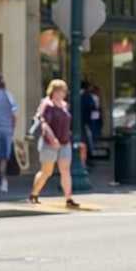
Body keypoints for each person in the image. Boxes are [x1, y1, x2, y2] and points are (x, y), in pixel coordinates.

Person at [29, 78, 80, 209]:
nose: (61, 93)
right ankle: (34, 193)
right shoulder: (47, 104)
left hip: (65, 142)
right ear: (52, 91)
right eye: (58, 91)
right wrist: (53, 139)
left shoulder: (65, 105)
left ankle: (69, 198)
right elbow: (44, 124)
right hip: (49, 143)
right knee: (47, 171)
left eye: (63, 91)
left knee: (65, 170)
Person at [80, 81, 105, 165]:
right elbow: (94, 108)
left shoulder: (78, 95)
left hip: (82, 121)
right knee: (88, 140)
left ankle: (85, 159)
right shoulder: (89, 96)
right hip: (88, 121)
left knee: (85, 140)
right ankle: (87, 159)